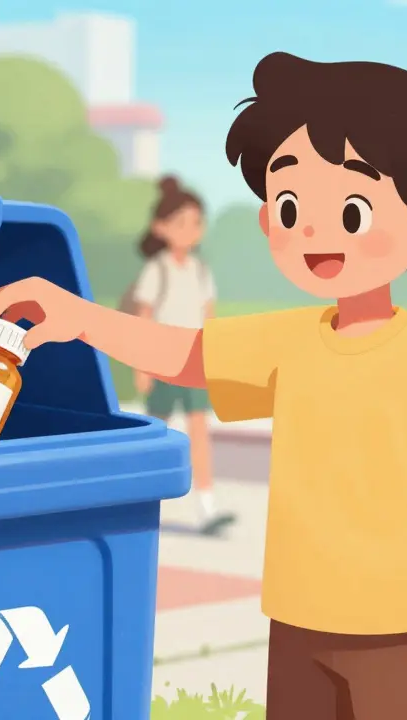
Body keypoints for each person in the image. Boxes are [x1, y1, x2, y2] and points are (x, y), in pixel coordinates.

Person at [0, 53, 407, 720]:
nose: (312, 231)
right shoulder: (290, 340)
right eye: (291, 203)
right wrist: (78, 317)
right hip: (298, 624)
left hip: (405, 633)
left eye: (352, 210)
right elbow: (185, 354)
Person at [130, 175, 234, 534]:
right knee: (156, 433)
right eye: (181, 223)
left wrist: (216, 359)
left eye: (196, 222)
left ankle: (206, 506)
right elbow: (143, 320)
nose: (191, 230)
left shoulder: (200, 271)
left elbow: (210, 317)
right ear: (160, 227)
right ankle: (140, 499)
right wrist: (142, 366)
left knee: (199, 434)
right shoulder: (155, 270)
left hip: (195, 364)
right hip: (162, 363)